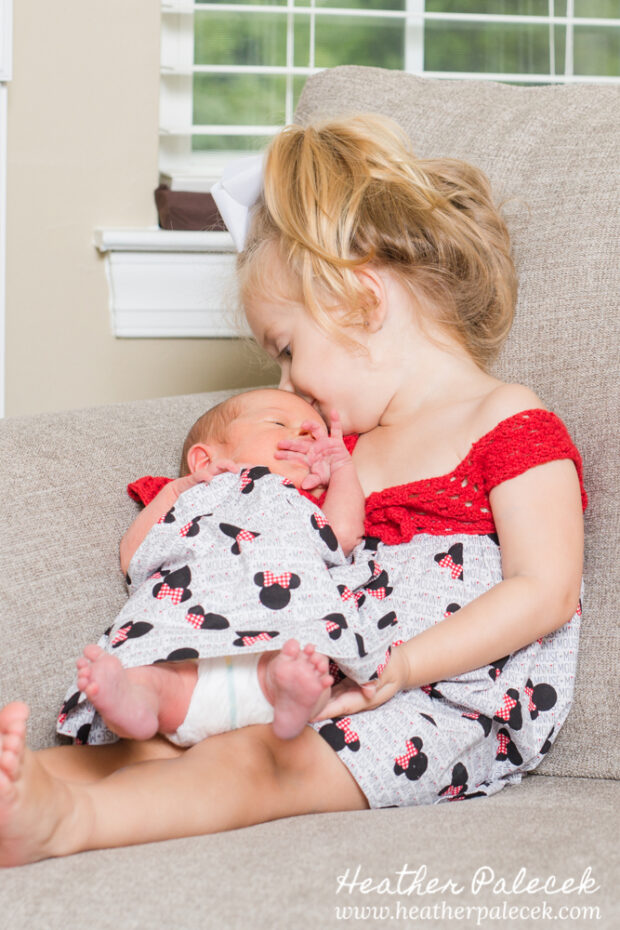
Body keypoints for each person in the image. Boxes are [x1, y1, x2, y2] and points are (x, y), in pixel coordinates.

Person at [0, 113, 586, 867]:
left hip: (439, 695)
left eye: (286, 351)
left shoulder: (506, 417)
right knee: (164, 735)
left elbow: (545, 587)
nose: (287, 386)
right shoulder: (341, 455)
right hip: (311, 675)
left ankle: (65, 824)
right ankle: (32, 789)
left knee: (260, 763)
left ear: (363, 301)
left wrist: (399, 667)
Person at [59, 387, 373, 747]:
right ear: (204, 460)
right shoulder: (193, 497)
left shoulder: (305, 504)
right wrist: (177, 492)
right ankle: (137, 702)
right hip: (181, 649)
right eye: (278, 422)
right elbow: (134, 556)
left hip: (274, 650)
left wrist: (342, 468)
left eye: (313, 434)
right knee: (151, 677)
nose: (303, 436)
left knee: (305, 662)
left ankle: (291, 695)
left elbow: (345, 535)